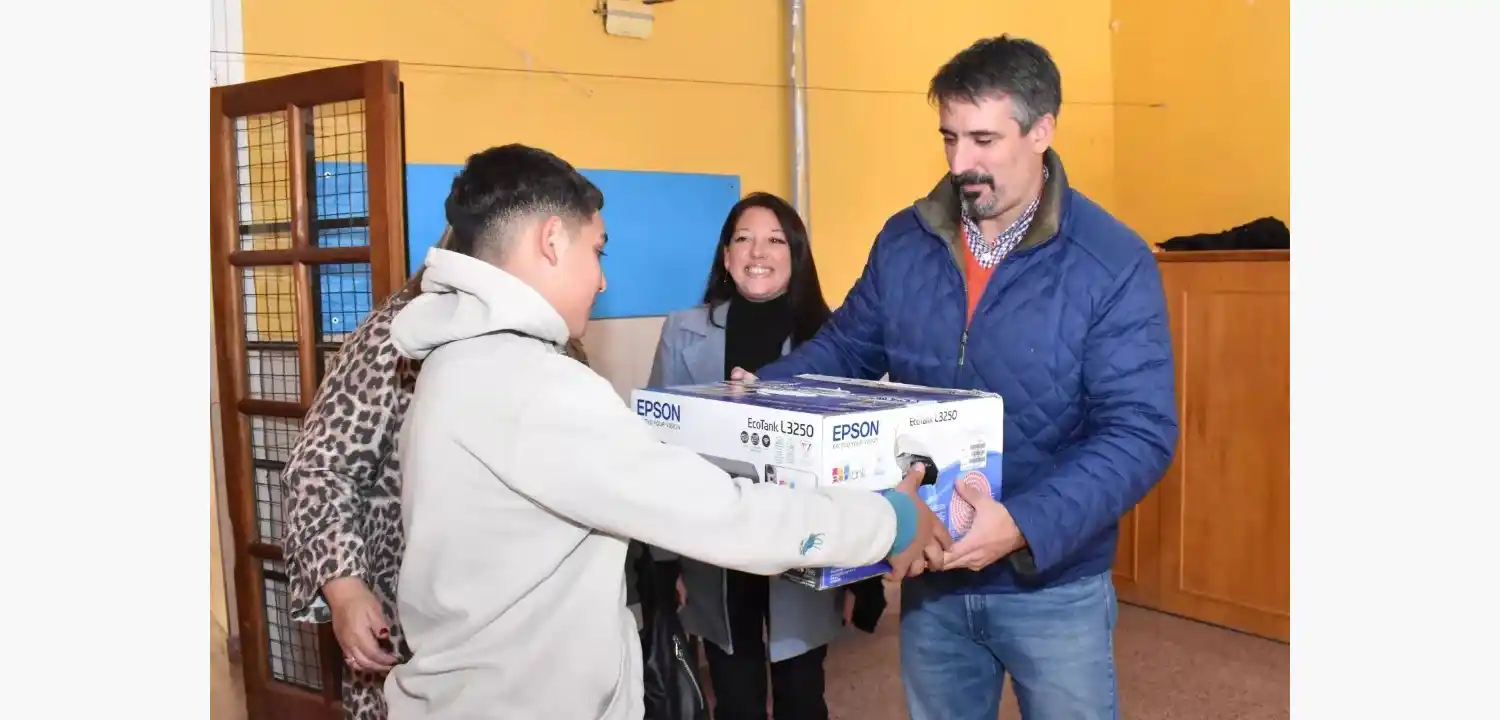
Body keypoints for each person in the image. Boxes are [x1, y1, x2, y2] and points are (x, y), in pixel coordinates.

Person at [381, 144, 950, 720]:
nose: (602, 281)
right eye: (596, 251)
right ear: (552, 241)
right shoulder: (532, 385)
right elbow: (719, 513)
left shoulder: (453, 363)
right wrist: (890, 520)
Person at [734, 36, 1179, 719]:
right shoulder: (905, 240)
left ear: (1042, 131)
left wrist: (1023, 524)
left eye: (982, 139)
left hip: (1052, 586)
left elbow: (1140, 432)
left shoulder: (1109, 260)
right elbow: (845, 349)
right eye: (948, 138)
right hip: (932, 573)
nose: (960, 164)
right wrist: (757, 393)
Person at [279, 227, 593, 720]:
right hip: (413, 631)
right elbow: (320, 467)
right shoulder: (399, 336)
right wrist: (344, 588)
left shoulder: (553, 344)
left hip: (521, 635)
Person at [646, 192, 887, 720]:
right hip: (714, 544)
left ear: (796, 256)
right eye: (743, 238)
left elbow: (854, 464)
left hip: (803, 540)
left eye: (776, 240)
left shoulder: (832, 339)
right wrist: (665, 567)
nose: (759, 251)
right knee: (734, 697)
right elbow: (659, 451)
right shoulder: (682, 331)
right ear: (727, 257)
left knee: (802, 694)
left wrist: (862, 573)